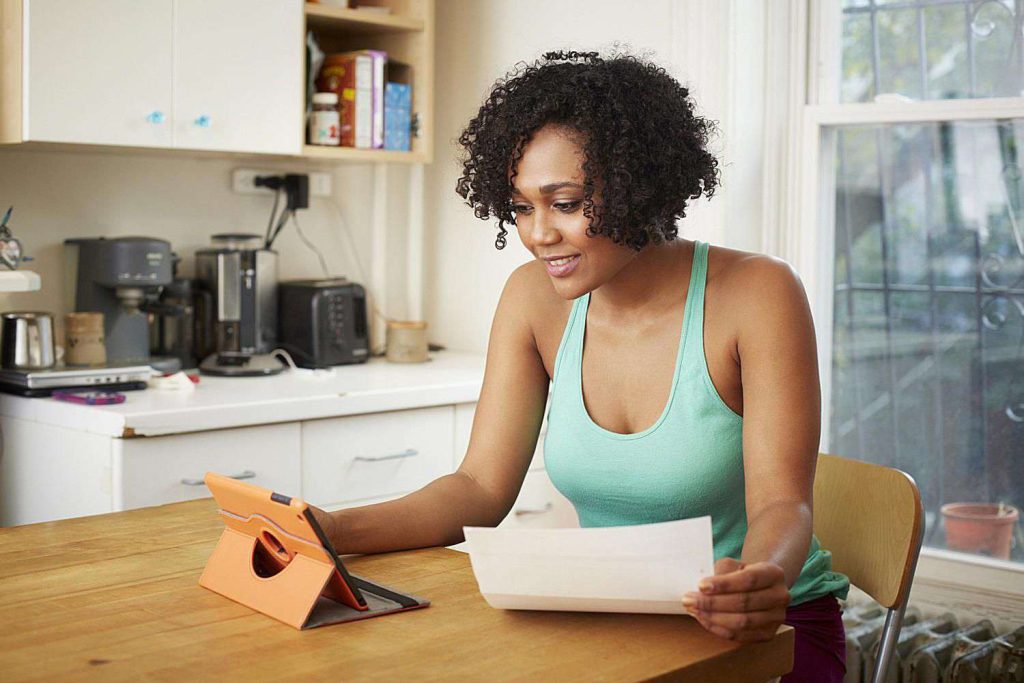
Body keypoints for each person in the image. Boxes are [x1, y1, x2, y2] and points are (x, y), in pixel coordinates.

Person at [313, 49, 849, 682]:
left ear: (637, 187)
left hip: (766, 630)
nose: (538, 234)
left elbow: (783, 506)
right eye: (520, 207)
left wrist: (762, 583)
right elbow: (479, 490)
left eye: (564, 203)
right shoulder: (531, 298)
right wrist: (330, 529)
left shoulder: (757, 294)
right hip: (614, 621)